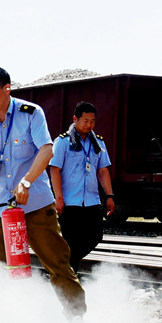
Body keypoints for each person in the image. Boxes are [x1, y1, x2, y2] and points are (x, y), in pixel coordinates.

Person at [0, 66, 92, 323]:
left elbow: (47, 149)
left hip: (36, 205)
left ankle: (76, 320)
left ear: (7, 88)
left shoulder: (31, 113)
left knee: (57, 261)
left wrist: (27, 181)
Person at [50, 102, 115, 274]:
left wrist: (109, 196)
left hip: (92, 201)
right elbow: (55, 170)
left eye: (92, 121)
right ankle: (69, 276)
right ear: (75, 119)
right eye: (85, 121)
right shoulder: (63, 142)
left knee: (95, 236)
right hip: (70, 202)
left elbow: (102, 171)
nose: (89, 125)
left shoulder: (98, 143)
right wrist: (59, 198)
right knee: (71, 241)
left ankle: (63, 268)